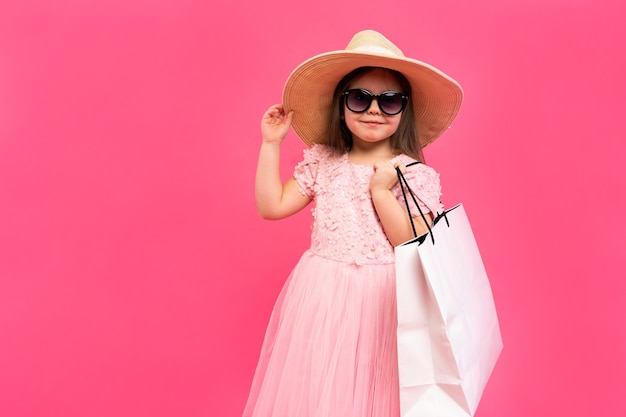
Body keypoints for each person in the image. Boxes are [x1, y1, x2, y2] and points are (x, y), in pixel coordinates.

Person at [244, 30, 463, 417]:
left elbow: (411, 243)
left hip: (386, 301)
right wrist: (270, 145)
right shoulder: (324, 161)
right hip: (323, 296)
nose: (374, 109)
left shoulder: (412, 173)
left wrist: (381, 192)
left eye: (389, 100)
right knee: (323, 390)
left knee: (379, 391)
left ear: (404, 109)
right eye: (361, 98)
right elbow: (272, 206)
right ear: (342, 106)